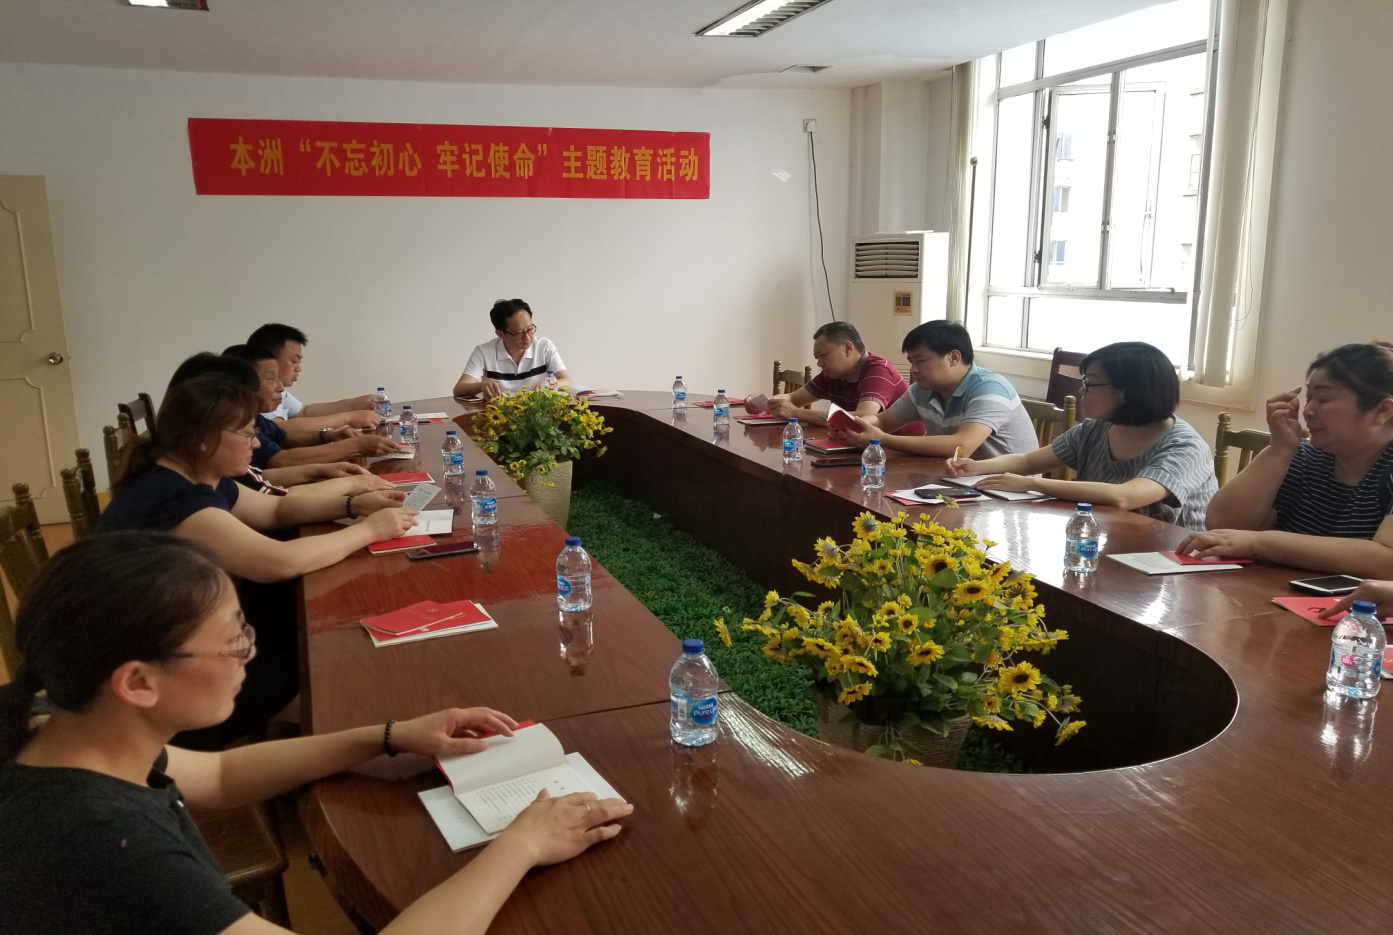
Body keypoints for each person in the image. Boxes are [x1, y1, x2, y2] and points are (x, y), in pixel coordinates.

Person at [0, 532, 633, 935]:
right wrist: (521, 844)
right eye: (233, 641)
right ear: (138, 682)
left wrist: (391, 734)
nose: (249, 654)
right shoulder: (102, 845)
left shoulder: (64, 718)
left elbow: (220, 773)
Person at [96, 373, 415, 747]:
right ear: (203, 439)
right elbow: (278, 562)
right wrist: (370, 530)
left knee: (308, 629)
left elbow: (276, 510)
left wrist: (353, 504)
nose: (258, 442)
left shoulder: (193, 475)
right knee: (328, 665)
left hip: (176, 643)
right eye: (247, 433)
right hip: (154, 689)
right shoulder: (175, 499)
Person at [1177, 341, 1393, 577]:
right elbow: (1222, 525)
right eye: (1308, 398)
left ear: (1383, 410)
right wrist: (1280, 448)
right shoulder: (1302, 458)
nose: (1308, 411)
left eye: (1323, 400)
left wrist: (1260, 543)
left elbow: (1386, 560)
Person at [948, 342, 1217, 529]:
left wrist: (1033, 484)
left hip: (1173, 559)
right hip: (1110, 537)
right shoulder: (1096, 428)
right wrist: (977, 466)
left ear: (1129, 390)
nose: (1081, 390)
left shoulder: (1184, 446)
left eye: (1089, 382)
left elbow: (1125, 496)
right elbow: (1028, 461)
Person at [170, 352, 394, 499]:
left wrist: (327, 443)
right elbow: (277, 489)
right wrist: (352, 458)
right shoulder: (187, 494)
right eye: (270, 379)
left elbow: (270, 488)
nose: (280, 387)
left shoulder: (217, 477)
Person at [842, 320, 1037, 459]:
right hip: (961, 480)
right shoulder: (921, 390)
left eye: (920, 361)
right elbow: (883, 421)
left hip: (1011, 490)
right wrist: (853, 427)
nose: (913, 370)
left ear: (953, 358)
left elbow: (961, 447)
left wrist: (883, 439)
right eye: (911, 361)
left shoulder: (990, 389)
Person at [222, 344, 400, 467]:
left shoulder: (255, 417)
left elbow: (285, 435)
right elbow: (281, 460)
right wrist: (354, 445)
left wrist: (329, 435)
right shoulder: (232, 421)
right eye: (271, 379)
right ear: (244, 384)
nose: (281, 387)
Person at [766, 321, 923, 434]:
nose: (820, 363)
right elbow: (793, 398)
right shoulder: (832, 374)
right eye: (817, 357)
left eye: (823, 355)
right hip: (865, 445)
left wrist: (797, 413)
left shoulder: (878, 371)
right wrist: (765, 404)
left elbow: (863, 416)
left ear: (847, 348)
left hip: (904, 455)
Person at [246, 323, 381, 430]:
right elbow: (282, 429)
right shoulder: (256, 392)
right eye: (294, 361)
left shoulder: (279, 392)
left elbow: (304, 412)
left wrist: (355, 403)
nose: (299, 368)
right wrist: (348, 418)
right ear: (268, 359)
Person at [453, 298, 570, 399]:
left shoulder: (544, 346)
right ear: (500, 334)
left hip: (538, 413)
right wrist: (481, 386)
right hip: (499, 414)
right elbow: (459, 389)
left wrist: (548, 386)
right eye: (519, 333)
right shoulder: (484, 352)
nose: (527, 337)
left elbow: (567, 380)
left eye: (530, 329)